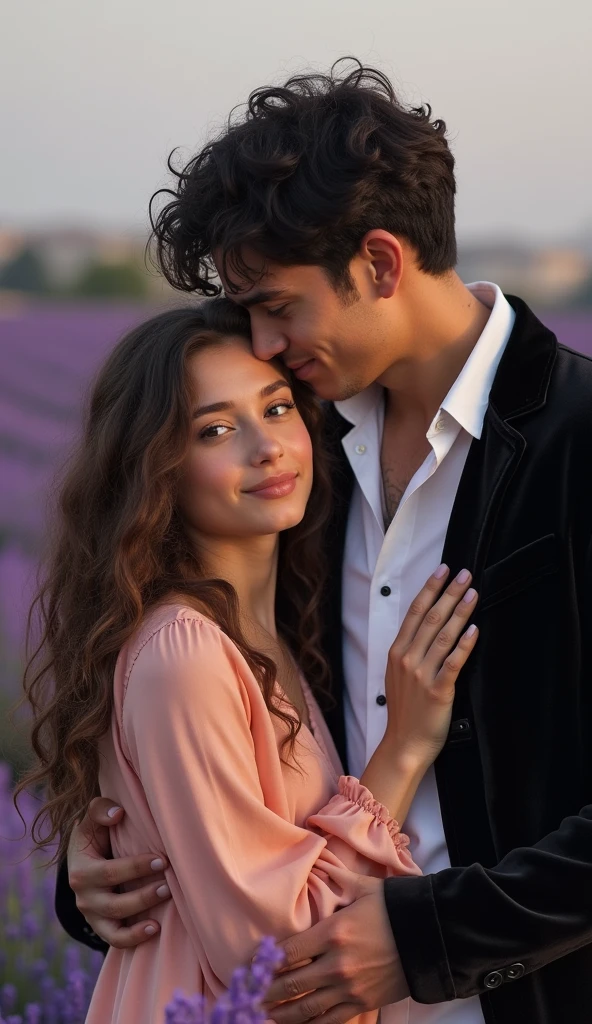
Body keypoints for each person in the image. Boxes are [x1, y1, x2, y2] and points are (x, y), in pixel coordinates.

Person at [56, 61, 592, 1024]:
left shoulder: (582, 442)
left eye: (276, 303)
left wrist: (433, 940)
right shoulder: (300, 458)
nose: (262, 345)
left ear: (380, 263)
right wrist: (114, 869)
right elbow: (233, 749)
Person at [19, 300, 479, 1023]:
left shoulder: (267, 633)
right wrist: (406, 746)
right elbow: (277, 959)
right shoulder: (187, 655)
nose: (266, 448)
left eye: (277, 408)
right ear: (155, 472)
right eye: (216, 430)